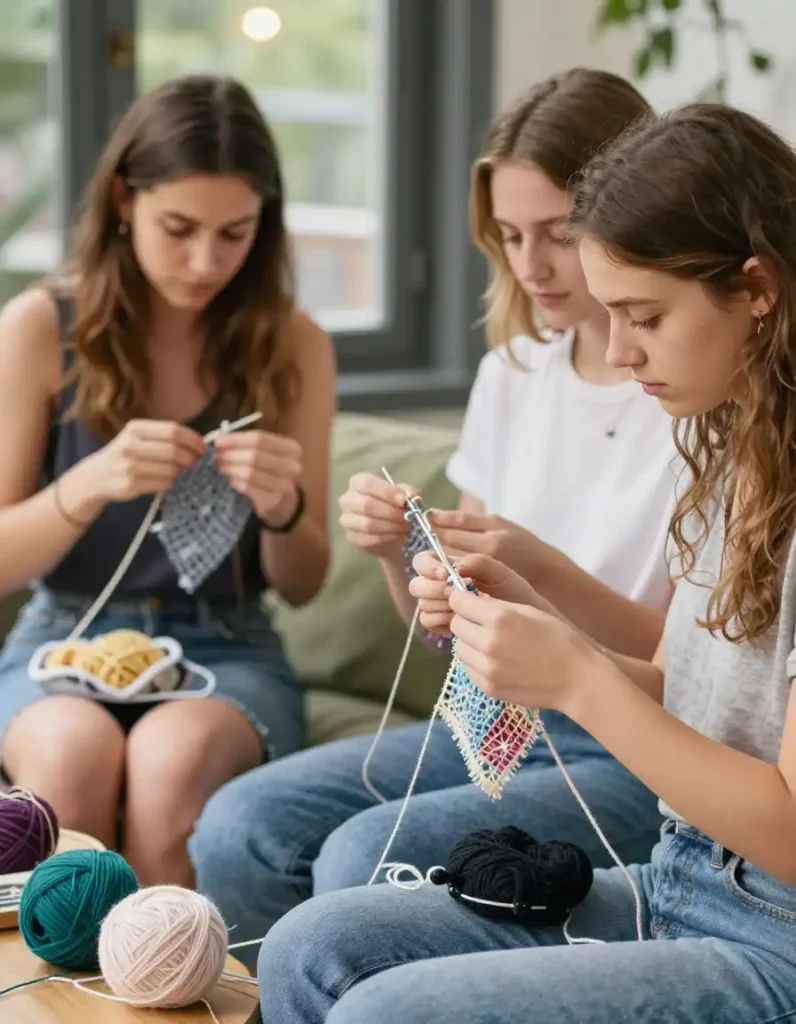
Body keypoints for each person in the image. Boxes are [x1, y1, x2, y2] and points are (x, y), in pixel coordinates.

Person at [257, 101, 796, 1023]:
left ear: (758, 288)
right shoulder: (733, 454)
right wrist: (534, 629)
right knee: (309, 950)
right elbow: (685, 689)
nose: (621, 351)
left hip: (773, 932)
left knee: (381, 1011)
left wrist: (579, 680)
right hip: (686, 873)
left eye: (645, 316)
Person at [191, 67, 677, 963]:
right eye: (509, 235)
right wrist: (397, 552)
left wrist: (537, 571)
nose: (530, 266)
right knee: (239, 824)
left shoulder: (688, 388)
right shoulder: (516, 372)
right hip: (492, 715)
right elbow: (453, 631)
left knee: (364, 858)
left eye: (560, 234)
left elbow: (694, 674)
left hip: (628, 743)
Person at [0, 74, 335, 887]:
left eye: (235, 233)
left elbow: (304, 582)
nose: (204, 261)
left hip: (228, 641)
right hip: (63, 636)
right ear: (123, 199)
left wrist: (284, 507)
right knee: (67, 761)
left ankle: (162, 1000)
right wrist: (85, 486)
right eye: (178, 227)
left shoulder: (292, 345)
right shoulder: (42, 327)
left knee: (172, 763)